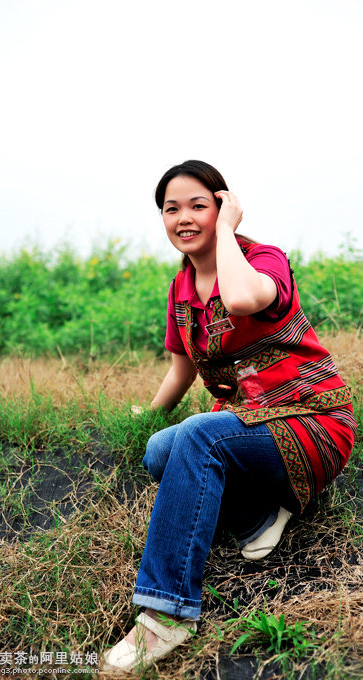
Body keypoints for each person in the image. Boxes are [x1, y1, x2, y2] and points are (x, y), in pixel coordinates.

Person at [101, 160, 356, 673]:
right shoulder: (180, 291)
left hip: (313, 422)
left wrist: (227, 234)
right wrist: (144, 415)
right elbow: (180, 371)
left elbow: (242, 298)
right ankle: (259, 517)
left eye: (199, 205)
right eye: (171, 209)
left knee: (198, 436)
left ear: (222, 206)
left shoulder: (263, 260)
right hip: (249, 426)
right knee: (160, 450)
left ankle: (165, 617)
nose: (184, 218)